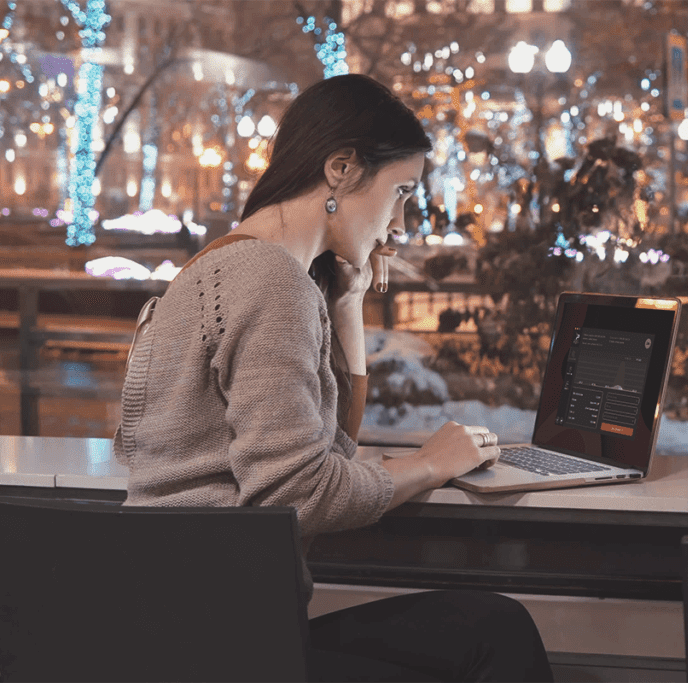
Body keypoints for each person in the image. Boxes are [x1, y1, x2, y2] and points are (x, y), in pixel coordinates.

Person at [114, 73, 553, 682]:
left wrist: (346, 303)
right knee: (495, 635)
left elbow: (325, 449)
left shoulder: (218, 268)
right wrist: (430, 463)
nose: (399, 225)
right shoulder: (272, 283)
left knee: (487, 627)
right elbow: (298, 493)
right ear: (341, 170)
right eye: (400, 191)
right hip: (227, 646)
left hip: (176, 631)